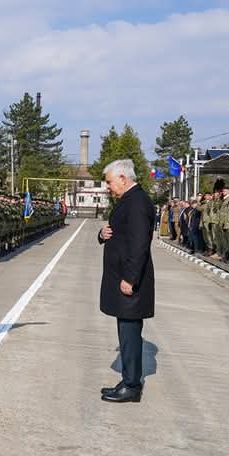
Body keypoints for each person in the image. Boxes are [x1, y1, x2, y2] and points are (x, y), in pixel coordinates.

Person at [98, 159, 156, 404]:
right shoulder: (129, 200)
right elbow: (121, 233)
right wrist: (102, 234)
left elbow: (139, 244)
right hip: (122, 276)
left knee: (130, 334)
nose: (108, 187)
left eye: (110, 182)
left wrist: (130, 279)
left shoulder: (137, 202)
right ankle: (128, 379)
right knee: (126, 332)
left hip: (130, 279)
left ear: (123, 178)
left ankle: (132, 386)